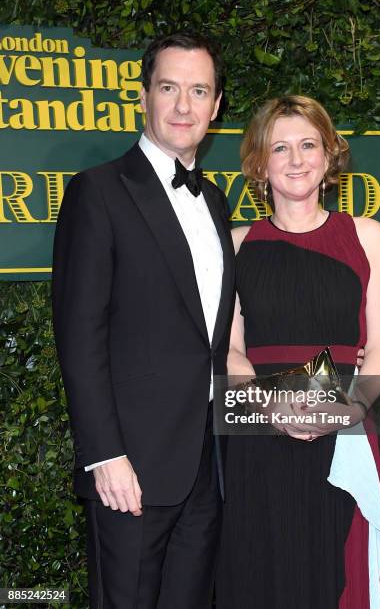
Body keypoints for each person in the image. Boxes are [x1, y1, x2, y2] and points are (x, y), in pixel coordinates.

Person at [52, 32, 235, 609]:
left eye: (199, 91)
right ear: (143, 96)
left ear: (217, 104)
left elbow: (211, 338)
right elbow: (80, 335)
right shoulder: (98, 192)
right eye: (169, 88)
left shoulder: (216, 203)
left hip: (207, 465)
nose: (184, 106)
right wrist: (104, 455)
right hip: (130, 468)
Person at [215, 95, 380, 608]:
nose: (296, 160)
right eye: (280, 148)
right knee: (263, 572)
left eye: (308, 145)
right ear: (259, 163)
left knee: (337, 575)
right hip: (258, 433)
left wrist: (353, 407)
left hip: (345, 432)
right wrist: (270, 407)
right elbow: (228, 349)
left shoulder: (368, 237)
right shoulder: (235, 244)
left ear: (328, 155)